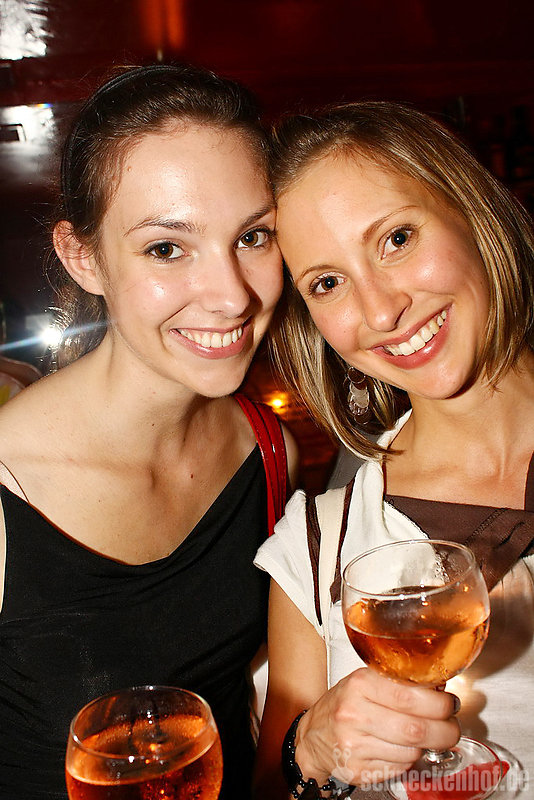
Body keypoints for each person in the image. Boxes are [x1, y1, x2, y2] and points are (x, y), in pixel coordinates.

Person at [0, 63, 298, 799]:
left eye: (254, 236)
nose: (231, 296)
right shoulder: (7, 483)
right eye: (167, 247)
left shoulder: (269, 451)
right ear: (83, 257)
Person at [254, 101, 534, 799]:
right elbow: (276, 787)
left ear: (471, 210)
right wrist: (308, 750)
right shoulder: (317, 546)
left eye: (397, 238)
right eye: (327, 283)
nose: (381, 311)